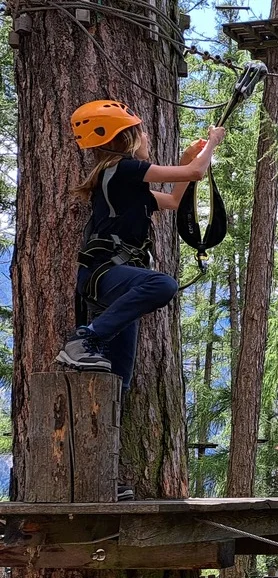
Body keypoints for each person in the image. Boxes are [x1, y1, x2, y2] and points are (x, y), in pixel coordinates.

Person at [58, 99, 225, 392]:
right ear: (128, 139)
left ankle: (107, 424)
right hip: (107, 275)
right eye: (142, 132)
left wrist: (187, 158)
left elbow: (173, 201)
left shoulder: (122, 181)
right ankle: (85, 339)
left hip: (113, 282)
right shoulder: (124, 169)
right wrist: (212, 143)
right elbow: (197, 174)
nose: (147, 136)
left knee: (120, 379)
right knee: (163, 285)